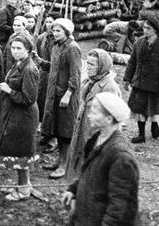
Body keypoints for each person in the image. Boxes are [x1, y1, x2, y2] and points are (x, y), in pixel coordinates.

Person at [61, 92, 139, 226]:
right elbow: (90, 173)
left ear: (109, 119)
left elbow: (120, 207)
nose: (89, 116)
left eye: (94, 113)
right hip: (86, 217)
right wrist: (73, 189)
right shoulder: (97, 139)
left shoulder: (121, 157)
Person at [0, 34, 41, 202]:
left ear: (28, 49)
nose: (15, 51)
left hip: (24, 117)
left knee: (22, 152)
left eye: (19, 48)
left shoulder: (29, 69)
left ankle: (24, 189)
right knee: (17, 150)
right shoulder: (19, 64)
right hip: (14, 113)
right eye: (13, 48)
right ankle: (21, 183)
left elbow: (29, 98)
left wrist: (8, 90)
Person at [65, 49, 122, 182]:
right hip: (82, 130)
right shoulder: (89, 82)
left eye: (92, 65)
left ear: (102, 66)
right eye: (88, 63)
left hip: (96, 136)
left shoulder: (109, 87)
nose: (88, 67)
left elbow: (112, 121)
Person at [41, 18, 82, 179]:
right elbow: (54, 67)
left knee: (65, 130)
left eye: (59, 31)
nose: (55, 33)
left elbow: (75, 74)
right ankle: (59, 160)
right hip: (55, 94)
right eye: (54, 30)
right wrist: (41, 62)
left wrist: (68, 94)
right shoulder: (57, 46)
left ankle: (65, 165)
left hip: (67, 96)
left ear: (67, 32)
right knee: (57, 128)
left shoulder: (72, 48)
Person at [123, 17, 159, 143]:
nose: (145, 31)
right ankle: (141, 134)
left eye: (148, 28)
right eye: (144, 28)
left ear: (156, 30)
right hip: (140, 81)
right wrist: (127, 78)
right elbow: (132, 62)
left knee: (154, 107)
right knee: (139, 108)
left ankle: (154, 125)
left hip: (156, 83)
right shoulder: (139, 42)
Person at [36, 14, 56, 124]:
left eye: (51, 22)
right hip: (44, 71)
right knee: (41, 95)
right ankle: (40, 120)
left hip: (54, 71)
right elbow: (39, 54)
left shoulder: (59, 40)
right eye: (47, 22)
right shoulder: (41, 38)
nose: (49, 24)